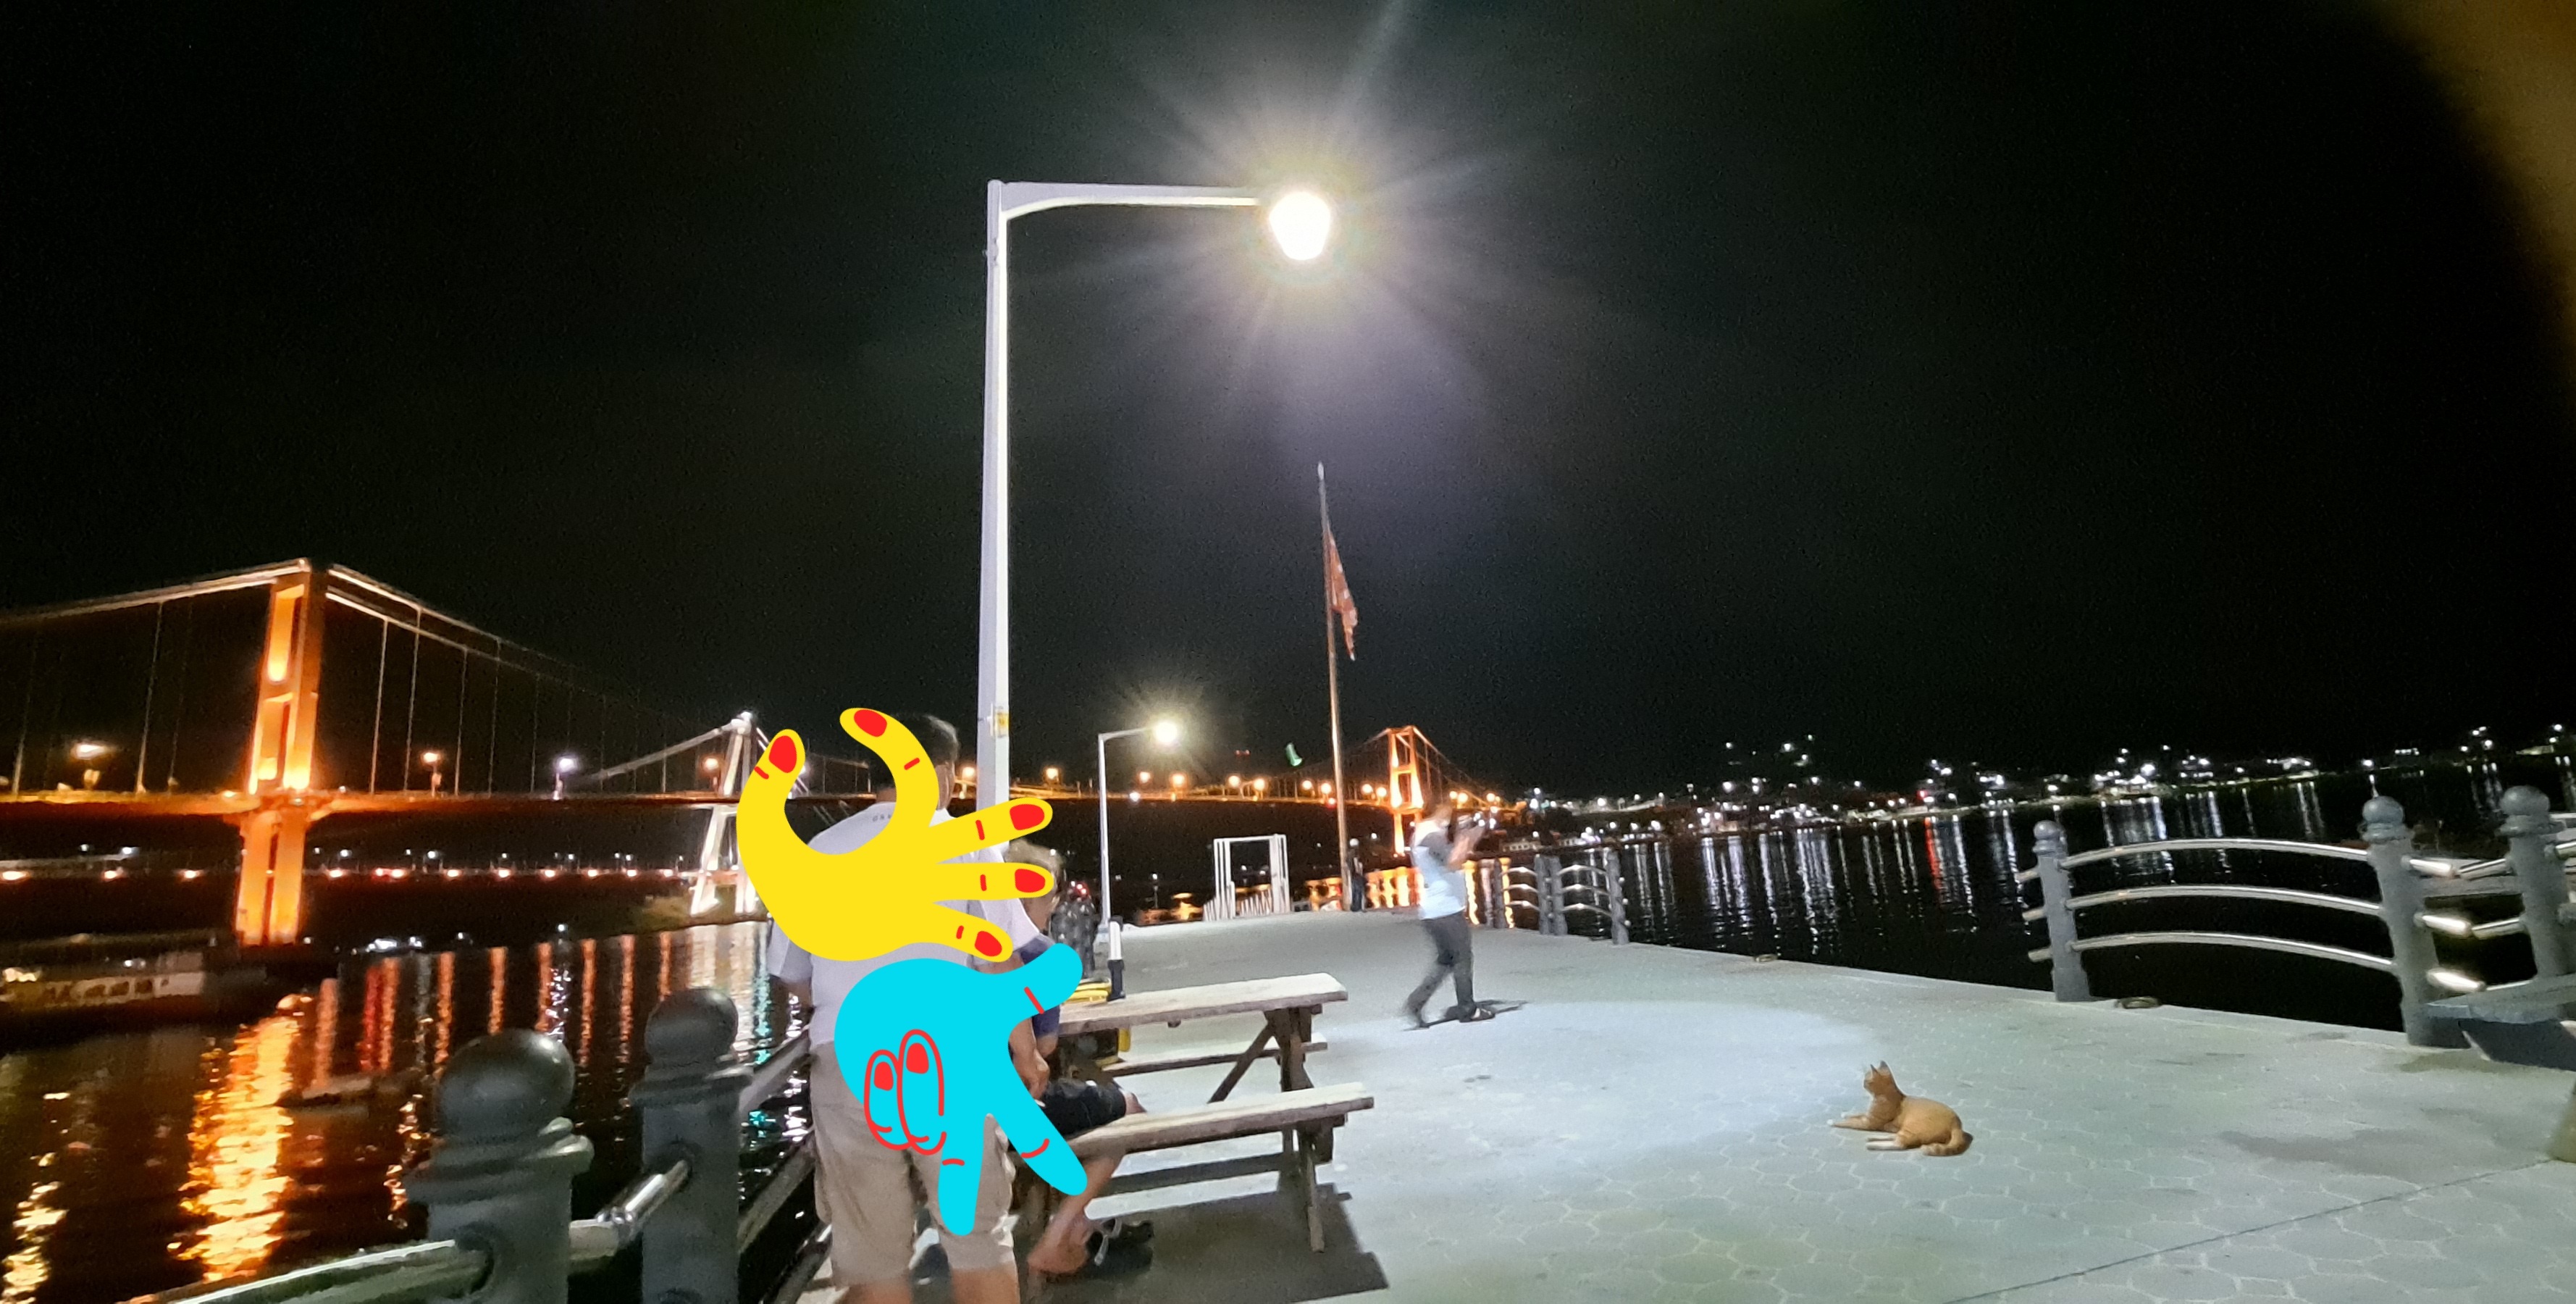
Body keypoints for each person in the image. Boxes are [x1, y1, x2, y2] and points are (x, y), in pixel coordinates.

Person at [765, 714, 1044, 1304]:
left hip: (850, 1060)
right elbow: (999, 965)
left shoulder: (817, 851)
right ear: (940, 772)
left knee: (874, 1259)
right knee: (976, 1238)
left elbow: (792, 975)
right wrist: (1026, 1056)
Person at [991, 842, 1154, 1280]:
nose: (1056, 905)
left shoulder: (966, 947)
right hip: (1014, 1104)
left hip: (962, 1102)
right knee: (1129, 1111)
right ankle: (1056, 1237)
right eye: (1052, 896)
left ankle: (1080, 1227)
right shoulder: (1041, 954)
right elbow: (1045, 1048)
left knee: (1079, 1106)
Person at [1401, 797, 1492, 1027]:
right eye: (1449, 810)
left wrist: (1475, 831)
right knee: (1462, 958)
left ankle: (1416, 1003)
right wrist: (1464, 834)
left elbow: (1460, 852)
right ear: (1441, 809)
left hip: (1436, 910)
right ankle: (1468, 1010)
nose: (1452, 815)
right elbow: (1454, 861)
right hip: (1445, 910)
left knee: (1446, 961)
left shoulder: (1426, 833)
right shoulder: (1429, 835)